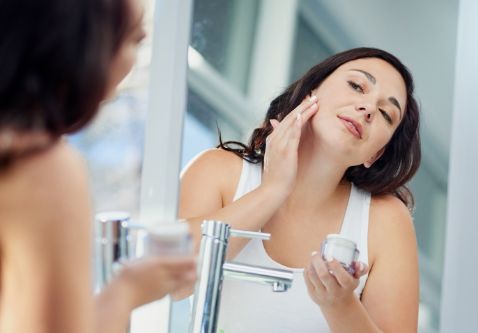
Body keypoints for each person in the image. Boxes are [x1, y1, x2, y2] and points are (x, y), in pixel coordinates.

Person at [179, 47, 421, 332]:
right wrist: (273, 190)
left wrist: (340, 305)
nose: (368, 109)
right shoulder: (218, 172)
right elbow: (171, 282)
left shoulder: (386, 221)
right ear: (310, 93)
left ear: (375, 154)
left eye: (385, 114)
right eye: (356, 86)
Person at [0, 0, 196, 333]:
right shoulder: (43, 169)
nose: (133, 62)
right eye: (134, 39)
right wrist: (125, 292)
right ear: (80, 44)